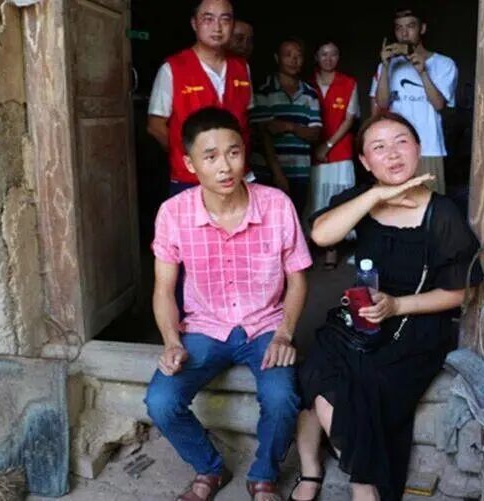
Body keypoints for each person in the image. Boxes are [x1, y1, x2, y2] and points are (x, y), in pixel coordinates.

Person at [289, 111, 483, 501]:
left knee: (365, 385)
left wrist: (397, 305)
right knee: (315, 369)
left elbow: (463, 292)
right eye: (378, 148)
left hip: (415, 324)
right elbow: (322, 234)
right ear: (365, 161)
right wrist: (376, 195)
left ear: (418, 149)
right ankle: (314, 470)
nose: (392, 154)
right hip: (359, 318)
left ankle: (361, 484)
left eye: (401, 142)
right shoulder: (362, 200)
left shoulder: (442, 213)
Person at [145, 107, 312, 501]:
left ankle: (264, 474)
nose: (225, 166)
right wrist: (171, 342)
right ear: (190, 164)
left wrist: (285, 333)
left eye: (233, 153)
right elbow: (163, 289)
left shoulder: (276, 205)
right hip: (205, 327)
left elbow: (297, 279)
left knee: (282, 398)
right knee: (161, 401)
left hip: (266, 324)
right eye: (210, 156)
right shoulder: (173, 213)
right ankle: (209, 467)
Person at [147, 0, 254, 198]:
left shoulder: (242, 68)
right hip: (190, 179)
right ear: (194, 24)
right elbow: (156, 126)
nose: (217, 27)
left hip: (237, 177)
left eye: (225, 19)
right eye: (208, 19)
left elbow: (245, 118)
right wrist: (191, 156)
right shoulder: (173, 68)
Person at [369, 7, 457, 195]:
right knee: (396, 205)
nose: (404, 33)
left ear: (422, 29)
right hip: (394, 149)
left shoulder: (444, 64)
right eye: (399, 28)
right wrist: (385, 67)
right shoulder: (386, 66)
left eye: (410, 26)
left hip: (429, 148)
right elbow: (382, 104)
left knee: (430, 204)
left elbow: (439, 105)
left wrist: (423, 72)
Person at [250, 37, 322, 218]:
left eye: (298, 56)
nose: (293, 60)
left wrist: (288, 126)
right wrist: (278, 174)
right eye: (288, 55)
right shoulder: (264, 90)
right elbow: (264, 134)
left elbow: (315, 134)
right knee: (267, 222)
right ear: (277, 58)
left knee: (294, 221)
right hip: (267, 172)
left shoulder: (310, 93)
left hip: (300, 172)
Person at [310, 40, 360, 269]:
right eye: (324, 54)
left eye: (334, 54)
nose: (328, 59)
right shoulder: (307, 83)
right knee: (314, 198)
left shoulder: (348, 83)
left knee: (337, 200)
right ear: (316, 57)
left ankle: (332, 248)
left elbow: (349, 119)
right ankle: (311, 243)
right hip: (311, 151)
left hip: (339, 151)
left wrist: (327, 145)